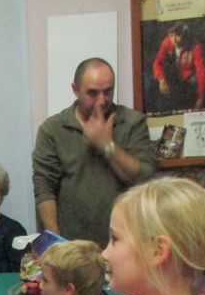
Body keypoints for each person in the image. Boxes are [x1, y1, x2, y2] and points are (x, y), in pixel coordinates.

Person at [33, 58, 156, 249]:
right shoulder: (52, 129)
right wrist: (55, 241)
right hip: (72, 244)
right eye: (92, 93)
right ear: (75, 89)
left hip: (125, 241)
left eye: (108, 92)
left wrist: (107, 145)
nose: (102, 100)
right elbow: (44, 187)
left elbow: (144, 178)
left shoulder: (132, 122)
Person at [150, 22, 205, 112]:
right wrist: (161, 79)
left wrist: (201, 97)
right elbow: (157, 62)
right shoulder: (167, 42)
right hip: (175, 78)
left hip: (191, 80)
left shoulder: (196, 47)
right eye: (171, 35)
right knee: (155, 83)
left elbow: (201, 72)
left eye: (178, 35)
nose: (174, 40)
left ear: (184, 34)